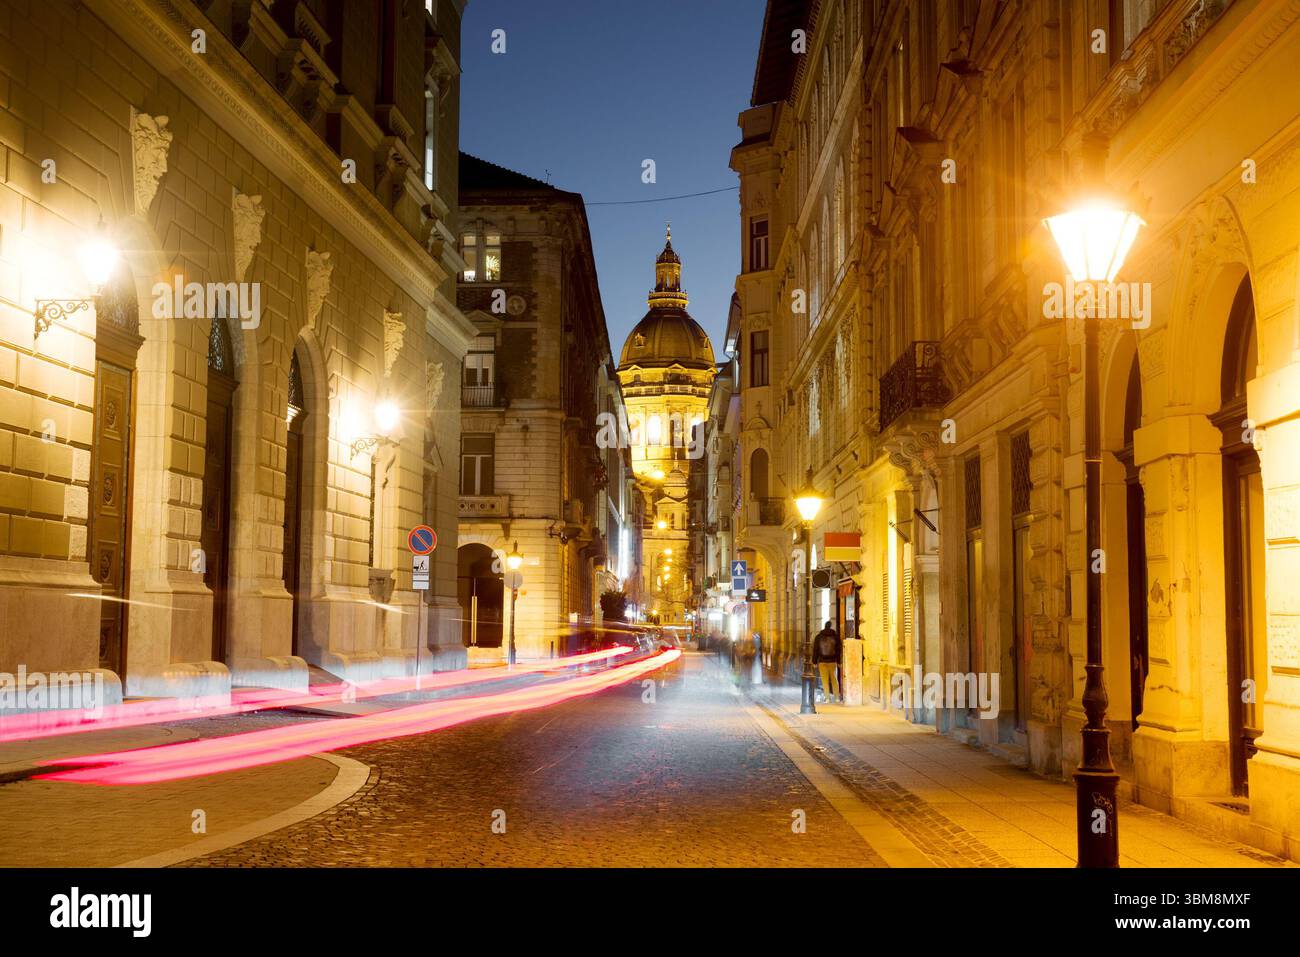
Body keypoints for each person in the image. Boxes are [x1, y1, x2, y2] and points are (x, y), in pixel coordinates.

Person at [812, 620, 841, 703]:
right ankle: (836, 698)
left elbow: (816, 650)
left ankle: (827, 698)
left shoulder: (818, 637)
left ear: (824, 626)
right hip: (832, 661)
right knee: (834, 680)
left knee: (825, 681)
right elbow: (838, 650)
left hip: (822, 661)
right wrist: (839, 662)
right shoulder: (835, 637)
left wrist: (814, 662)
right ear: (831, 626)